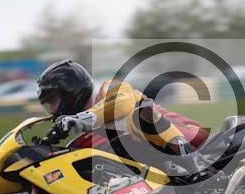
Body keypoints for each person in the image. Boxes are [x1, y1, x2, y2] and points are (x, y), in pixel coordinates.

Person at [36, 60, 210, 182]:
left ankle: (199, 168)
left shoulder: (110, 88)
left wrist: (79, 119)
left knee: (138, 117)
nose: (52, 110)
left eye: (53, 101)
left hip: (188, 134)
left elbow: (122, 104)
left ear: (70, 92)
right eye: (47, 105)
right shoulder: (87, 131)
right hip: (156, 157)